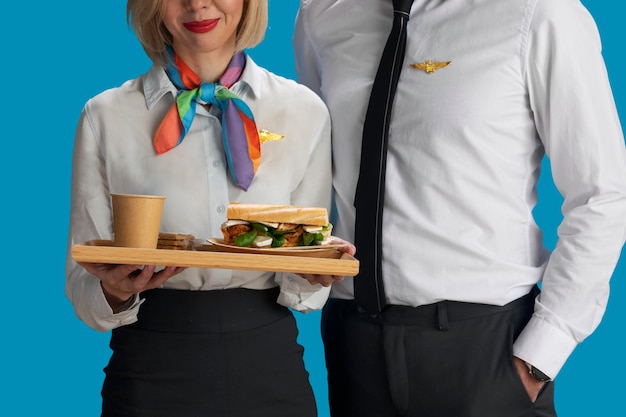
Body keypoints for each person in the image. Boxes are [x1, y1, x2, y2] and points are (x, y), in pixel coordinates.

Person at [294, 0, 626, 416]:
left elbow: (603, 194)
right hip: (353, 344)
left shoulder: (538, 12)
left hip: (486, 349)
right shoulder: (323, 13)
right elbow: (311, 165)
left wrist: (540, 356)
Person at [65, 1, 344, 416]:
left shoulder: (304, 112)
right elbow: (82, 286)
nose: (197, 4)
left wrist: (314, 272)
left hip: (270, 364)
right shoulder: (105, 116)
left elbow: (303, 288)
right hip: (149, 367)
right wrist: (115, 291)